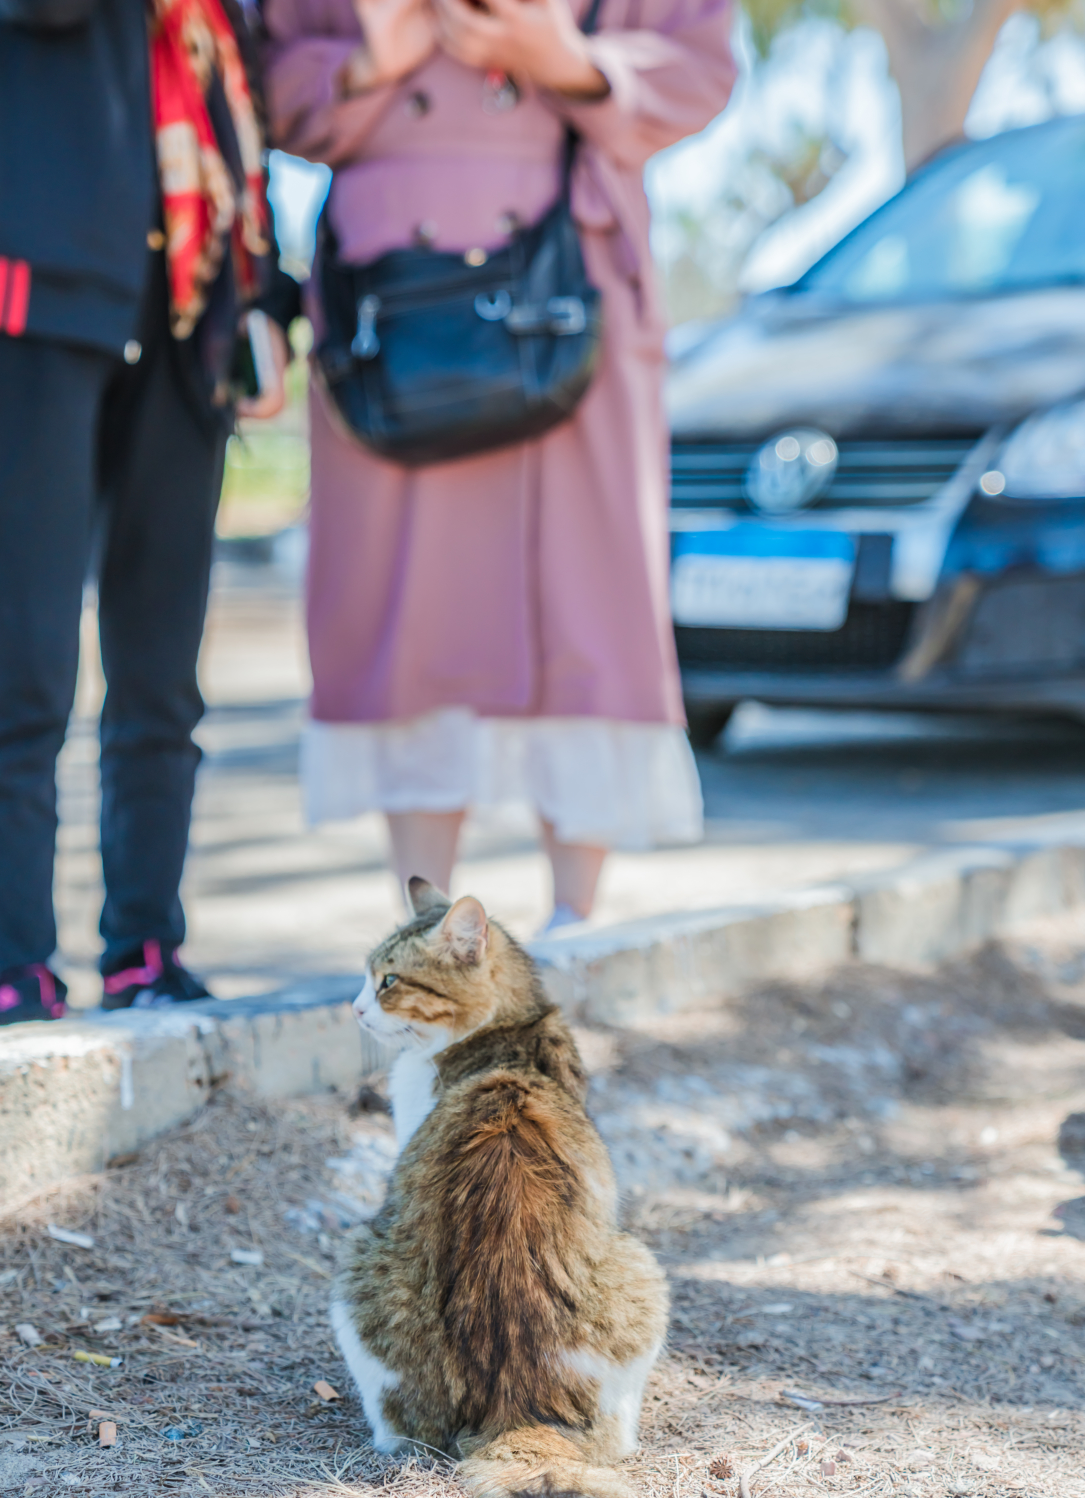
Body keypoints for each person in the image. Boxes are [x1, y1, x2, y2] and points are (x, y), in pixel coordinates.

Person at [262, 0, 734, 927]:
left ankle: (575, 924)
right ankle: (426, 924)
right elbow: (263, 73)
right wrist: (368, 63)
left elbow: (702, 63)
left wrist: (568, 59)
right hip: (391, 297)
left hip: (569, 281)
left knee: (583, 596)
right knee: (409, 607)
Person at [0, 0, 297, 1028]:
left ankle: (145, 947)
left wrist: (260, 298)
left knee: (162, 670)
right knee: (21, 663)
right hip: (12, 294)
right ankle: (18, 968)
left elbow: (227, 94)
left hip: (183, 306)